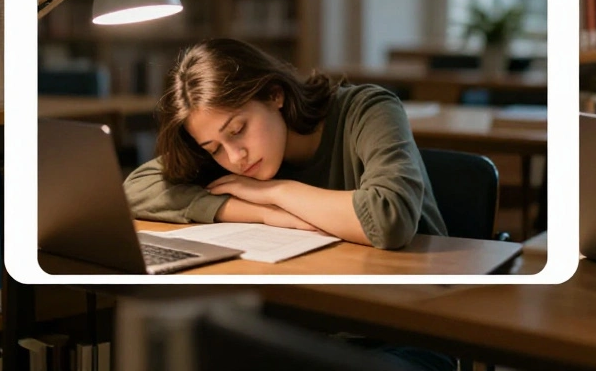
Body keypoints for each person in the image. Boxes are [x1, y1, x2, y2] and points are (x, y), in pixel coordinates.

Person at [123, 38, 448, 250]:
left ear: (275, 94)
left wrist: (275, 193)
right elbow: (135, 189)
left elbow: (389, 220)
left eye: (238, 129)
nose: (235, 157)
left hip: (417, 312)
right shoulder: (233, 156)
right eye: (213, 149)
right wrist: (258, 213)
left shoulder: (368, 109)